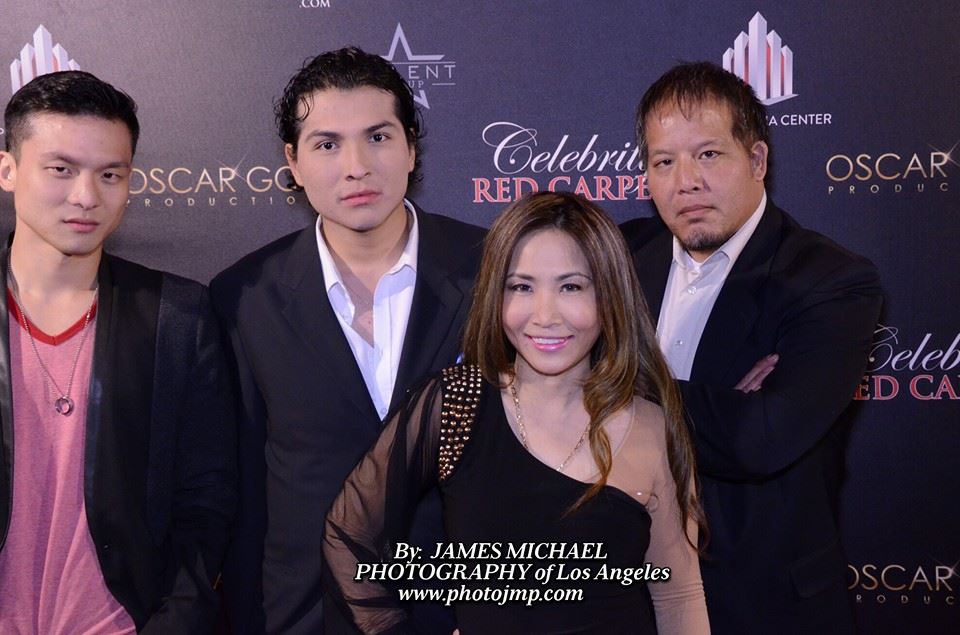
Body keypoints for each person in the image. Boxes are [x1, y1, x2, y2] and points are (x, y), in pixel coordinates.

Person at [324, 191, 710, 635]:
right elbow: (347, 537)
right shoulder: (456, 404)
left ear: (610, 297)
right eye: (521, 286)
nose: (545, 315)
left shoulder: (653, 425)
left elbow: (679, 595)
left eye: (571, 286)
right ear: (495, 293)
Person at [211, 47, 485, 634]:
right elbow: (245, 495)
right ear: (294, 160)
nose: (356, 166)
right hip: (306, 615)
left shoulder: (495, 269)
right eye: (327, 144)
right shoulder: (244, 297)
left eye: (378, 137)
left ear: (412, 146)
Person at [621, 62, 883, 634]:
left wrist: (616, 390)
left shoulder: (829, 280)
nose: (685, 180)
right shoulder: (615, 258)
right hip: (625, 600)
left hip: (764, 606)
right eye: (664, 161)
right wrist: (718, 402)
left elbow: (761, 439)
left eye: (708, 155)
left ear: (757, 161)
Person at [0, 70, 236, 632]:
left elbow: (206, 500)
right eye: (60, 169)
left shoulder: (178, 315)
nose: (86, 196)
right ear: (8, 170)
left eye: (110, 174)